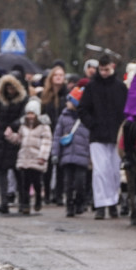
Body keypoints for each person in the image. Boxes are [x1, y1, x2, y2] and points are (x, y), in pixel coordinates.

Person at [78, 54, 128, 220]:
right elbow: (83, 109)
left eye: (107, 69)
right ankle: (100, 204)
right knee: (100, 171)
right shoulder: (92, 87)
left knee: (114, 171)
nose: (104, 72)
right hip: (98, 135)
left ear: (112, 67)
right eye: (102, 69)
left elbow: (126, 111)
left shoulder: (120, 87)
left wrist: (122, 127)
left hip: (115, 135)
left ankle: (113, 202)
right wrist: (92, 124)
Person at [0, 74, 29, 214]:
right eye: (8, 87)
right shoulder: (0, 100)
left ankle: (23, 202)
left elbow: (25, 116)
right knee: (2, 171)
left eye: (12, 87)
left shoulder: (23, 99)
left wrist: (14, 126)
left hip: (16, 137)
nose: (10, 90)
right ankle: (4, 201)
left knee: (19, 172)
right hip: (1, 137)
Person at [8, 98, 52, 214]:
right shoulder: (23, 126)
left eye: (32, 113)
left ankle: (38, 198)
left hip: (37, 159)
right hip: (25, 158)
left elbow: (46, 142)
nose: (30, 116)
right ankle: (25, 204)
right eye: (28, 113)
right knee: (24, 182)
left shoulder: (44, 127)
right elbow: (18, 139)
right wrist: (10, 136)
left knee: (36, 181)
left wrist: (42, 156)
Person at [52, 87, 91, 217]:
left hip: (82, 156)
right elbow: (57, 136)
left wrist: (90, 155)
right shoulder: (63, 117)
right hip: (67, 156)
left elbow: (90, 138)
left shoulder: (86, 118)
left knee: (80, 182)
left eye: (70, 100)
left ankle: (79, 202)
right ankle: (69, 205)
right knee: (68, 183)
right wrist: (55, 153)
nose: (66, 103)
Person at [39, 62, 69, 204]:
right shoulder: (45, 95)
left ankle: (58, 194)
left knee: (62, 166)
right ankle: (46, 194)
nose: (58, 78)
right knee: (48, 166)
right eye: (56, 75)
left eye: (61, 75)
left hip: (63, 134)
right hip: (48, 133)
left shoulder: (67, 95)